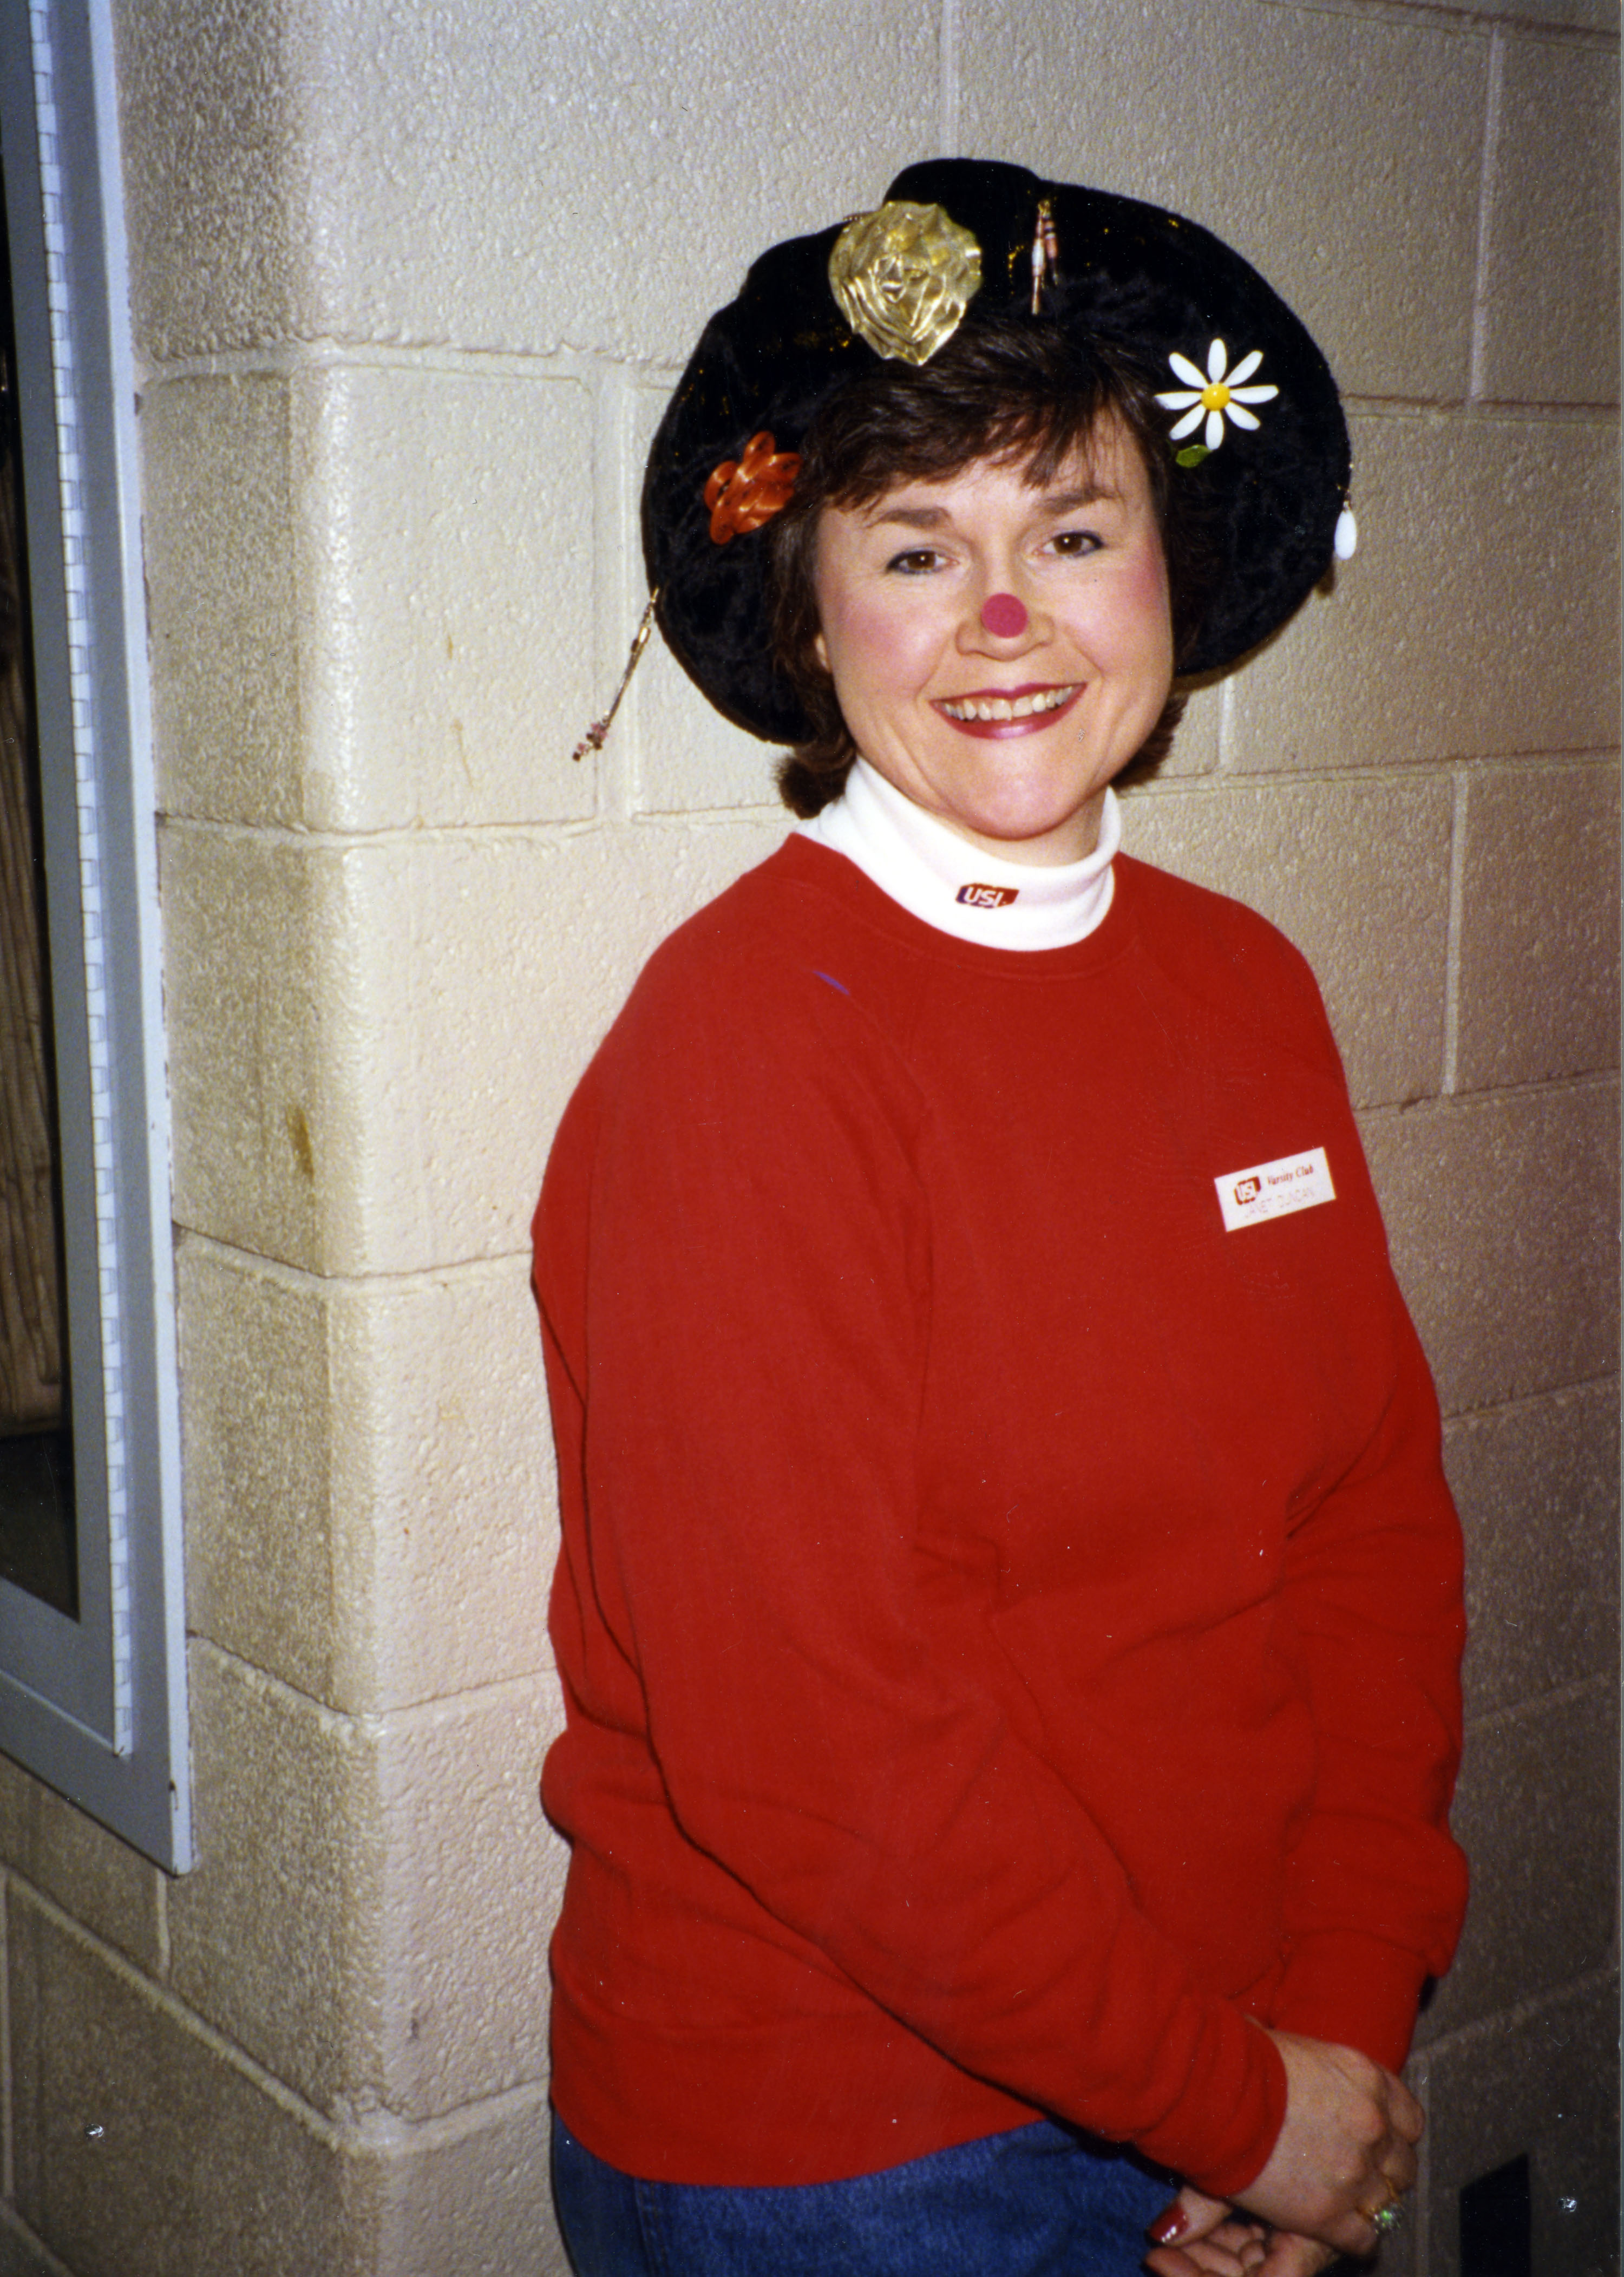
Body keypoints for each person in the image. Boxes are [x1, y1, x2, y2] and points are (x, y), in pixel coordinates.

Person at [534, 159, 1467, 2277]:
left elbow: (1368, 1533)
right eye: (915, 549)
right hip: (862, 2152)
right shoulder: (746, 1049)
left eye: (1070, 530)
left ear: (1171, 568)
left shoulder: (1243, 986)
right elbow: (813, 1742)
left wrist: (1332, 2018)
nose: (1008, 619)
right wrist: (1249, 2108)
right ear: (812, 616)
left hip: (1230, 2058)